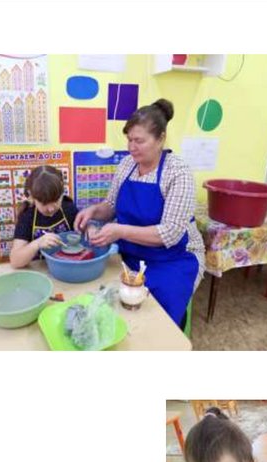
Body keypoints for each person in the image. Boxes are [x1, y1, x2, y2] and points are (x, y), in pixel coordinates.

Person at [75, 99, 204, 327]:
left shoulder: (178, 172)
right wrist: (93, 211)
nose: (131, 147)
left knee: (158, 318)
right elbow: (111, 205)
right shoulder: (127, 165)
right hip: (132, 254)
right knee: (114, 304)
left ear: (161, 139)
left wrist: (119, 231)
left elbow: (170, 233)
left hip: (174, 259)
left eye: (139, 141)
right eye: (129, 140)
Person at [9, 166, 79, 268]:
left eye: (56, 201)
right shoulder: (27, 216)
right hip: (39, 270)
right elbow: (15, 261)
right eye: (44, 203)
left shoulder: (68, 207)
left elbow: (83, 231)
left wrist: (90, 228)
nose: (51, 209)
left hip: (67, 266)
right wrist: (37, 243)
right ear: (32, 196)